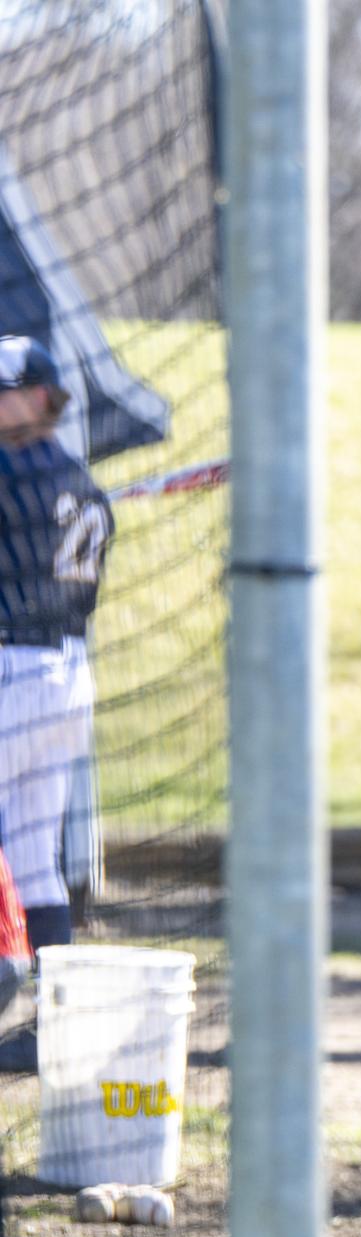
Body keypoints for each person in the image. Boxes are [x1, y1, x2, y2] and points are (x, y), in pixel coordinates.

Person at [0, 335, 110, 1070]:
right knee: (35, 856)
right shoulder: (85, 483)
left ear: (42, 395)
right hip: (67, 677)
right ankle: (58, 1025)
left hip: (12, 669)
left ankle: (17, 986)